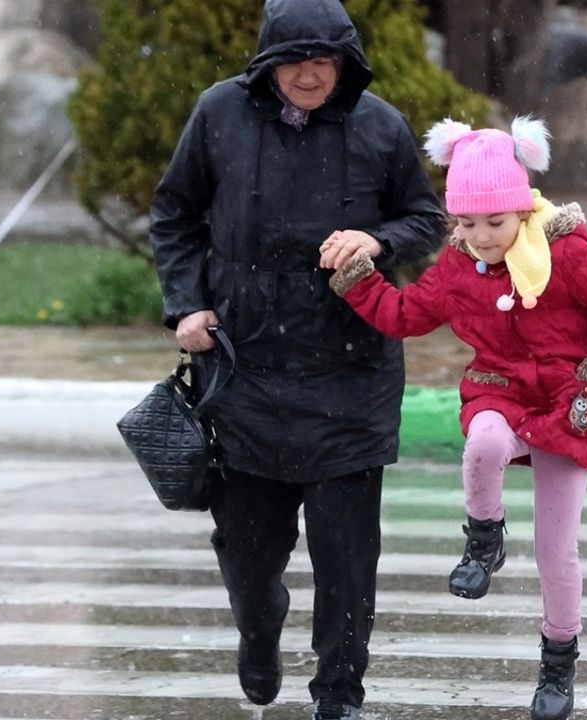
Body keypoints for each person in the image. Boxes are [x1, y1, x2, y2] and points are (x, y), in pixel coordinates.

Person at [146, 0, 445, 717]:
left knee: (347, 561)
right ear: (266, 64)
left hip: (352, 370)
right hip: (244, 369)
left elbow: (426, 218)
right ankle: (259, 626)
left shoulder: (380, 125)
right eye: (293, 60)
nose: (308, 74)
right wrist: (186, 305)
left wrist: (377, 242)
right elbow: (175, 213)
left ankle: (338, 693)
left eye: (323, 60)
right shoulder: (218, 113)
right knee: (248, 555)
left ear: (346, 63)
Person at [324, 117, 587, 720]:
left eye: (494, 223)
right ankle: (483, 539)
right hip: (497, 391)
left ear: (522, 211)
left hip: (564, 405)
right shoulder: (456, 268)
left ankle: (557, 665)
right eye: (466, 224)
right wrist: (355, 278)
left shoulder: (567, 258)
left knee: (558, 554)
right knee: (482, 444)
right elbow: (402, 316)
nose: (481, 237)